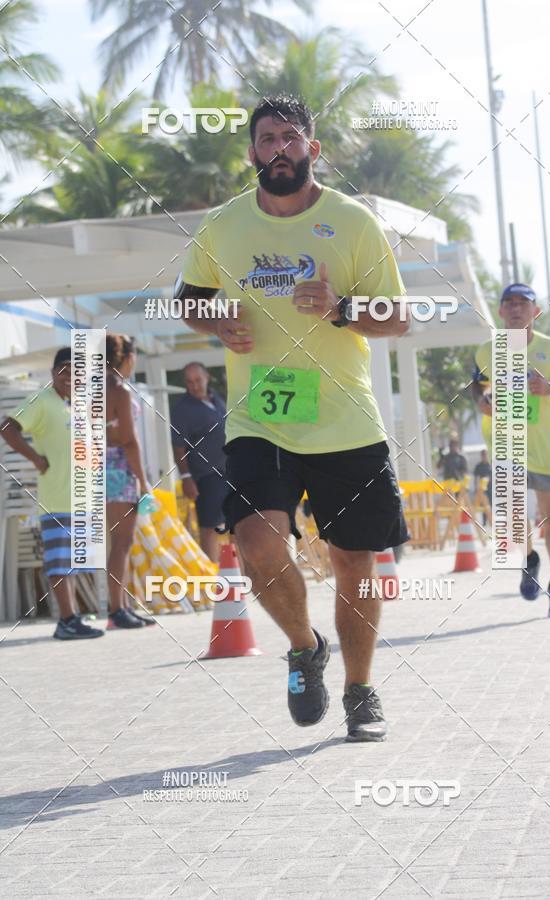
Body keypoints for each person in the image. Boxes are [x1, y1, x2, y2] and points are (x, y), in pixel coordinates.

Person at [176, 94, 411, 742]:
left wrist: (342, 309)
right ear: (252, 152)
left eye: (289, 137)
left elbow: (398, 316)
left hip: (344, 419)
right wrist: (216, 321)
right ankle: (305, 647)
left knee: (354, 563)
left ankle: (359, 690)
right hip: (262, 417)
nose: (277, 148)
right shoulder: (223, 226)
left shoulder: (354, 222)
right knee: (255, 544)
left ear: (312, 148)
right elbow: (189, 301)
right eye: (266, 139)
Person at [472, 283, 550, 616]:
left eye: (523, 303)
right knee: (514, 516)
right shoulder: (486, 351)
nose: (515, 309)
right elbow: (477, 387)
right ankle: (529, 558)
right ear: (500, 311)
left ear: (535, 311)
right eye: (509, 303)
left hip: (546, 450)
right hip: (506, 448)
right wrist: (483, 401)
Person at [0, 348, 104, 639]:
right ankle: (67, 620)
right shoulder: (41, 400)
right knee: (59, 561)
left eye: (76, 371)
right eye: (64, 369)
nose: (70, 376)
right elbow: (7, 427)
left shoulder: (73, 405)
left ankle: (72, 619)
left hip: (79, 498)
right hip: (57, 498)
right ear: (53, 372)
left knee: (71, 562)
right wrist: (36, 459)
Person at [105, 334, 155, 628]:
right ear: (127, 357)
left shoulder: (91, 389)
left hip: (95, 466)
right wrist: (144, 481)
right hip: (119, 468)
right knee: (122, 542)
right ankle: (117, 609)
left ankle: (121, 605)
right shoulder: (119, 390)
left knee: (117, 542)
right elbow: (129, 440)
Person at [170, 362, 228, 562]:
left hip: (229, 470)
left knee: (236, 522)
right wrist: (186, 477)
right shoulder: (181, 410)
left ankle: (237, 571)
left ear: (207, 377)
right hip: (206, 475)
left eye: (198, 380)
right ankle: (210, 574)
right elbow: (178, 447)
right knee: (210, 526)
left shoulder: (216, 398)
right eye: (189, 382)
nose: (194, 385)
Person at [473, 449, 492, 523]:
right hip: (482, 488)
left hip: (490, 488)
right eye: (483, 455)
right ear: (481, 456)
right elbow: (476, 477)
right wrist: (476, 488)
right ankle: (484, 520)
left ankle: (491, 520)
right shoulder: (479, 466)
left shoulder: (490, 465)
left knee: (491, 504)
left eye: (485, 455)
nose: (484, 456)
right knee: (484, 504)